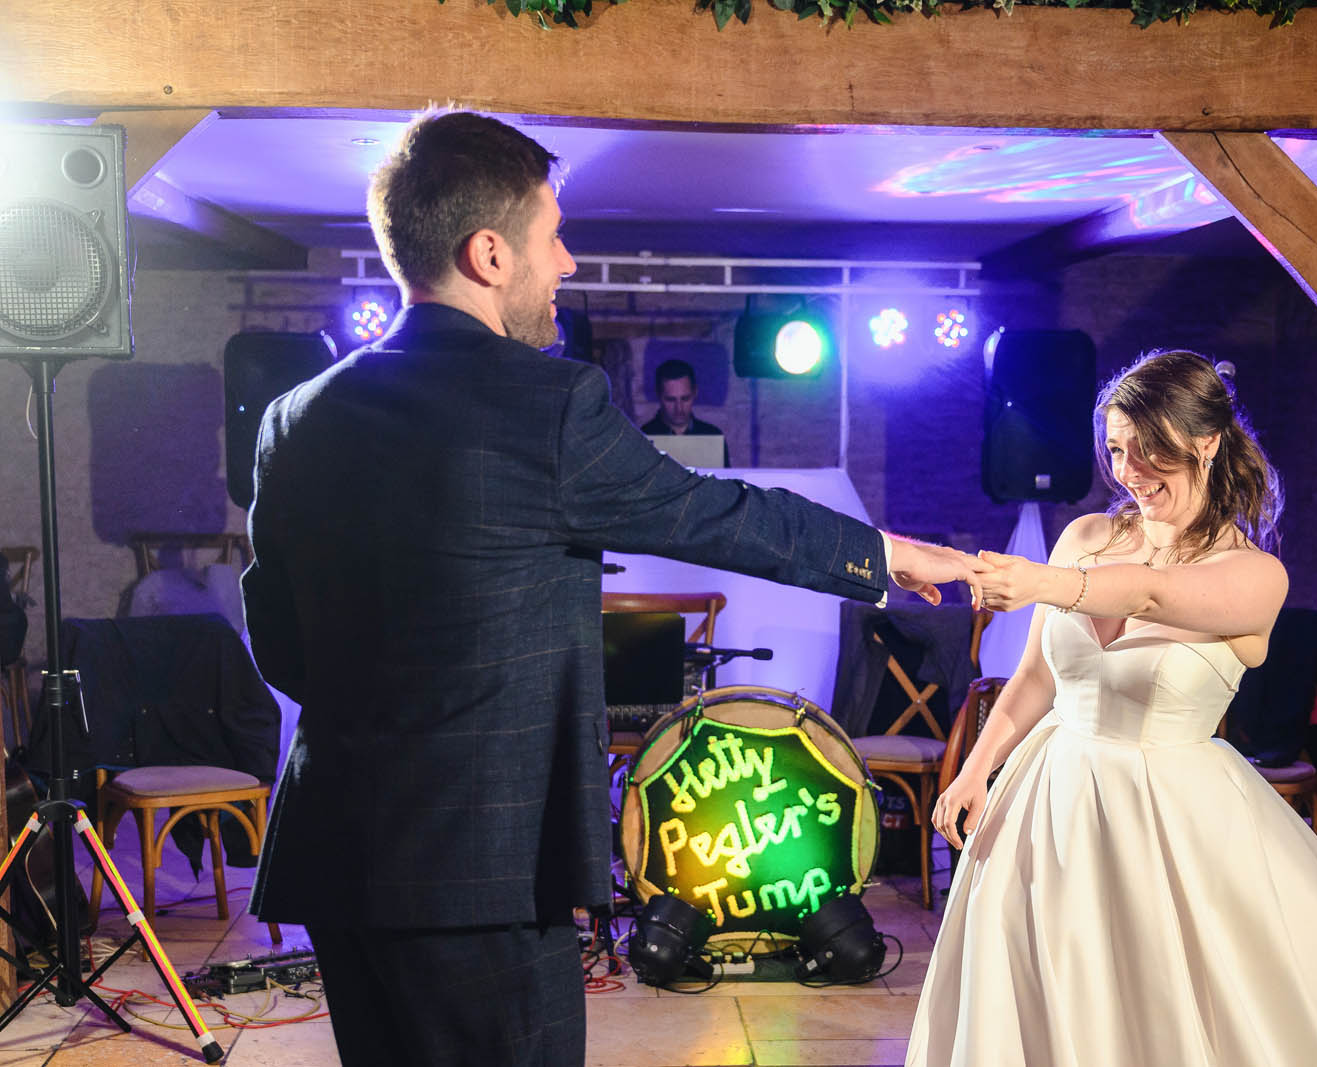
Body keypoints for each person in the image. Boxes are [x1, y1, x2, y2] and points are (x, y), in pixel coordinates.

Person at [241, 109, 980, 1067]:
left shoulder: (297, 417)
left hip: (341, 854)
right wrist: (881, 555)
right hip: (488, 873)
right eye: (555, 236)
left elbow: (281, 645)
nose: (570, 264)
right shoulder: (547, 405)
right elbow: (718, 514)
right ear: (490, 253)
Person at [909, 350, 1317, 1066]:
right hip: (1047, 798)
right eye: (1116, 449)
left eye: (1150, 449)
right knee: (1037, 986)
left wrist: (1042, 581)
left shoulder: (1254, 578)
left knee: (1164, 998)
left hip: (1166, 816)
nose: (1130, 470)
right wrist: (977, 767)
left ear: (1206, 442)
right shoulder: (1084, 537)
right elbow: (1034, 680)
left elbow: (1146, 593)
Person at [639, 358, 730, 465]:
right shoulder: (643, 437)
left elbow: (725, 480)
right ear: (659, 395)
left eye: (685, 399)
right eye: (670, 400)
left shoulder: (713, 435)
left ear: (695, 393)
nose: (679, 408)